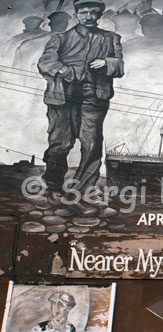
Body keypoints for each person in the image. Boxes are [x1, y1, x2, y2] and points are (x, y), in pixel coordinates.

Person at [37, 0, 124, 215]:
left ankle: (82, 191)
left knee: (92, 143)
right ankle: (54, 186)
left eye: (93, 13)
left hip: (95, 96)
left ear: (99, 15)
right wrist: (66, 71)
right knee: (60, 143)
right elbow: (45, 63)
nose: (88, 16)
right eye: (83, 12)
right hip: (62, 96)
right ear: (76, 14)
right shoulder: (60, 38)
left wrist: (107, 63)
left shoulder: (111, 38)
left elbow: (120, 66)